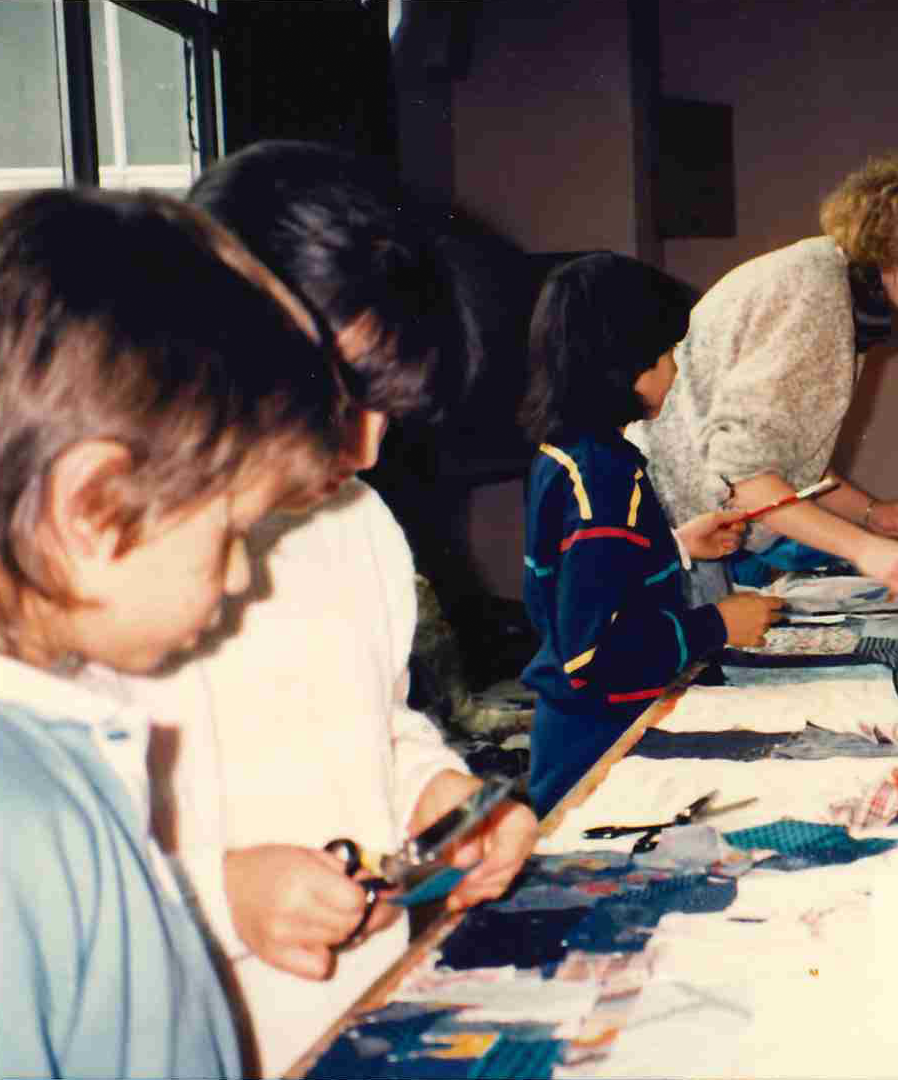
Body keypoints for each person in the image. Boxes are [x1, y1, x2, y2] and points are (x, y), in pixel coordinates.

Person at [98, 140, 539, 1077]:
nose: (368, 449)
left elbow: (373, 717)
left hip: (354, 1012)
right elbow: (48, 868)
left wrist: (440, 796)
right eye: (343, 399)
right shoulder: (101, 560)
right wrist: (220, 895)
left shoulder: (356, 520)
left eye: (389, 410)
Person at [0, 188, 344, 1078]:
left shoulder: (64, 737)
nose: (241, 576)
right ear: (91, 511)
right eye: (229, 533)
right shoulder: (15, 817)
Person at [639, 144, 898, 605]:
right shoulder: (816, 298)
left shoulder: (830, 282)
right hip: (671, 544)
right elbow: (743, 479)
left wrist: (871, 514)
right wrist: (866, 549)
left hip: (694, 535)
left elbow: (783, 455)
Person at [519, 253, 784, 817]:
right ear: (624, 368)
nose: (676, 371)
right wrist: (717, 623)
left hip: (586, 724)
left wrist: (676, 546)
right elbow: (590, 657)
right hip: (599, 740)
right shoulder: (606, 482)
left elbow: (590, 580)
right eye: (665, 356)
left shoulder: (574, 456)